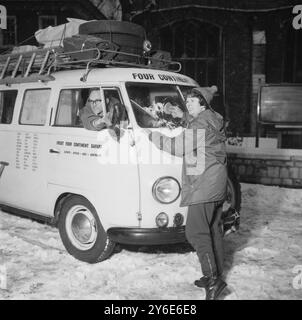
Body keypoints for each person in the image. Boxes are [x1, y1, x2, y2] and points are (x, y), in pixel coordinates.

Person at [147, 86, 228, 300]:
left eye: (192, 102)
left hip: (204, 185)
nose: (188, 104)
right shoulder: (210, 119)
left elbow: (178, 146)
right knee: (212, 231)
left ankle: (213, 280)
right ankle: (217, 273)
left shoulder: (200, 123)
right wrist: (182, 116)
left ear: (203, 104)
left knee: (195, 233)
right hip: (216, 183)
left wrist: (154, 137)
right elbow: (196, 133)